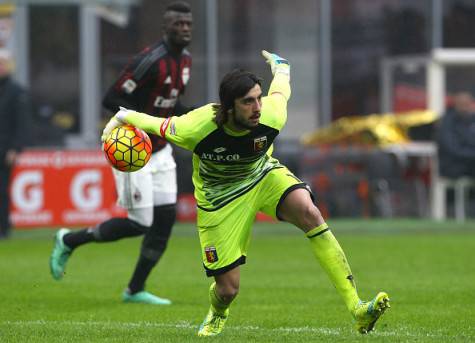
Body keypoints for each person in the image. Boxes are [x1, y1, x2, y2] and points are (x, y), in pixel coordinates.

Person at [101, 50, 390, 336]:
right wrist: (120, 118)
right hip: (219, 201)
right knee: (228, 290)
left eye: (258, 98)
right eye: (247, 101)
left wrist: (283, 68)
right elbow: (153, 123)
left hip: (261, 176)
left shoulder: (271, 117)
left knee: (309, 212)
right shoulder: (196, 127)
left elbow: (281, 91)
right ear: (228, 107)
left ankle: (357, 308)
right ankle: (218, 312)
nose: (257, 107)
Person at [49, 1, 193, 305]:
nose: (184, 29)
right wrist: (140, 124)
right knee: (138, 224)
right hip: (135, 151)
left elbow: (171, 105)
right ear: (165, 27)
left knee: (165, 221)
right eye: (178, 24)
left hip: (162, 151)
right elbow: (110, 98)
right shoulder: (149, 61)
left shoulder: (186, 61)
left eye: (188, 24)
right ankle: (69, 240)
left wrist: (199, 115)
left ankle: (134, 289)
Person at [0, 52, 32, 240]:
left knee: (2, 191)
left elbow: (21, 123)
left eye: (3, 63)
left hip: (5, 151)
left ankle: (3, 228)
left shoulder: (16, 91)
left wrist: (15, 148)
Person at [437, 91, 475, 179]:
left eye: (467, 104)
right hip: (453, 166)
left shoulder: (471, 120)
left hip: (470, 163)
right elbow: (453, 149)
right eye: (462, 104)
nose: (465, 108)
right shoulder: (447, 122)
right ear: (455, 105)